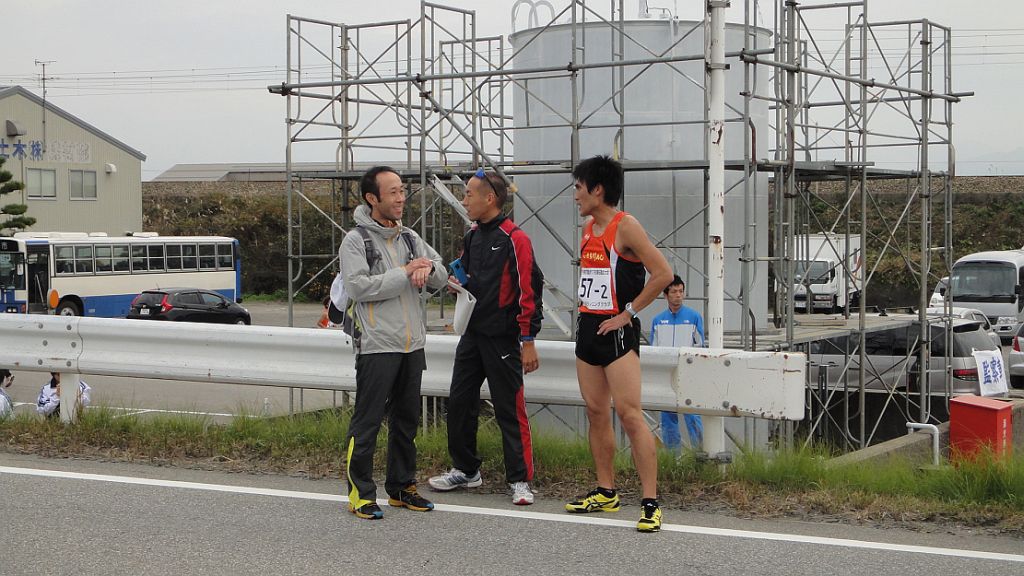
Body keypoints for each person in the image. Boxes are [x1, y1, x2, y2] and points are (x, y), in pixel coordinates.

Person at [564, 155, 673, 533]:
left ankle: (650, 502)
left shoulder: (626, 226)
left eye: (579, 188)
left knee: (629, 414)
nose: (575, 195)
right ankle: (605, 491)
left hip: (617, 330)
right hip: (589, 327)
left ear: (598, 190)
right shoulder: (588, 228)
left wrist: (628, 313)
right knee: (596, 411)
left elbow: (663, 274)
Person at [428, 168, 543, 506]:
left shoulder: (515, 238)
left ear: (489, 198)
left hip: (504, 337)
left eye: (468, 194)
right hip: (473, 333)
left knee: (509, 408)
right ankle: (466, 470)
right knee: (459, 401)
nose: (464, 201)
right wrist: (457, 284)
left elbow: (530, 291)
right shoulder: (473, 235)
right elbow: (469, 277)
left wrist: (528, 340)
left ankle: (520, 480)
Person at [339, 165, 448, 520]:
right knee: (367, 422)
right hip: (376, 344)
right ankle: (360, 493)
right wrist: (405, 272)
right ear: (372, 198)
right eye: (393, 193)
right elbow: (359, 287)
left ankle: (402, 487)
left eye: (402, 191)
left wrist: (427, 269)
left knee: (406, 421)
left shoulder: (410, 238)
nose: (401, 198)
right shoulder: (355, 241)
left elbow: (442, 274)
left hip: (411, 344)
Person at [650, 275, 705, 450]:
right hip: (667, 376)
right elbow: (654, 349)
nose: (678, 295)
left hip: (688, 374)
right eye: (674, 292)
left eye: (681, 291)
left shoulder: (694, 317)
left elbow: (700, 346)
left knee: (692, 415)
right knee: (668, 419)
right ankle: (673, 457)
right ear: (665, 295)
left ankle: (699, 454)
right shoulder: (658, 321)